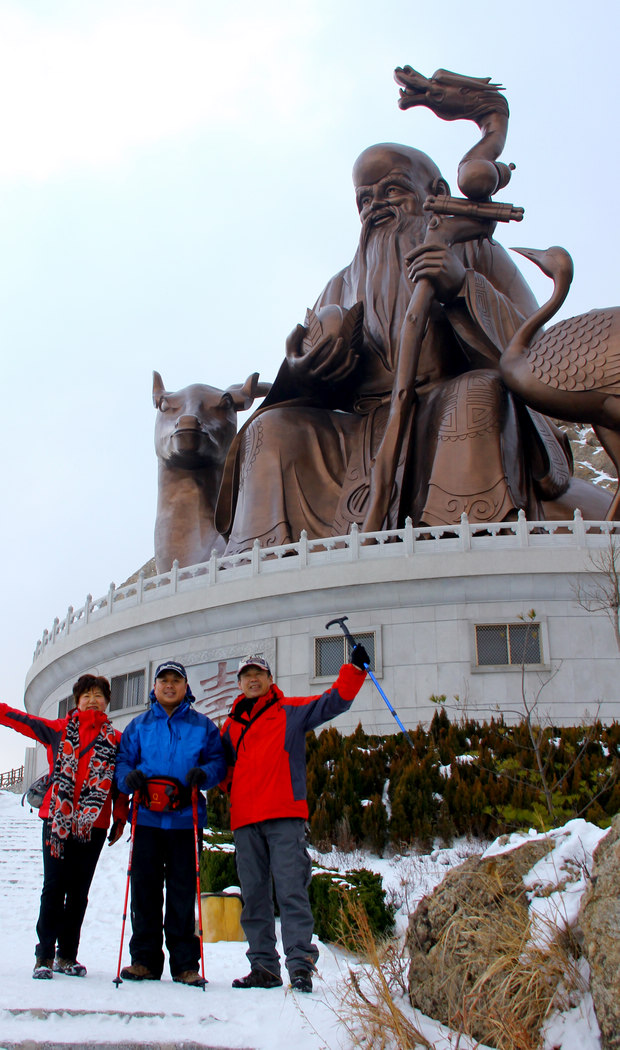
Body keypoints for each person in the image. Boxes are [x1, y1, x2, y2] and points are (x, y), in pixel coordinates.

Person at [216, 143, 609, 552]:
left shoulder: (475, 251)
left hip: (440, 413)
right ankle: (266, 556)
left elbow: (535, 351)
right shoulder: (342, 283)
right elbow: (317, 389)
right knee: (271, 430)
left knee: (475, 391)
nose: (375, 206)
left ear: (434, 190)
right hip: (361, 435)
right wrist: (302, 371)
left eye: (391, 191)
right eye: (364, 199)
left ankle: (459, 539)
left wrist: (462, 287)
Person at [220, 649, 368, 992]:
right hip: (245, 821)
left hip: (284, 815)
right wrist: (230, 788)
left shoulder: (290, 711)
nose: (252, 679)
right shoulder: (230, 726)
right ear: (240, 683)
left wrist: (355, 670)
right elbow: (222, 767)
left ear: (270, 679)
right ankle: (263, 967)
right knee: (254, 896)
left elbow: (332, 702)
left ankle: (300, 965)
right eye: (246, 675)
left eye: (259, 673)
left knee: (291, 891)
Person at [0, 673, 128, 979]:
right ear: (77, 701)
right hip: (57, 820)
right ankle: (44, 955)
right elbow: (21, 720)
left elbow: (119, 784)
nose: (92, 700)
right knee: (54, 887)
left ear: (107, 702)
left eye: (99, 695)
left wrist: (120, 817)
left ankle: (67, 956)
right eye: (86, 695)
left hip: (93, 824)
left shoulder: (117, 739)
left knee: (79, 892)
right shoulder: (58, 730)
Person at [115, 659, 226, 987]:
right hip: (146, 820)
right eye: (163, 680)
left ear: (185, 686)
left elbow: (218, 760)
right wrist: (128, 779)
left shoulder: (203, 726)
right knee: (145, 892)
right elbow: (123, 762)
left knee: (181, 893)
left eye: (175, 680)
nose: (169, 685)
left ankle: (184, 964)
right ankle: (144, 961)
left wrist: (204, 774)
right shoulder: (138, 725)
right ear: (154, 687)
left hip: (184, 822)